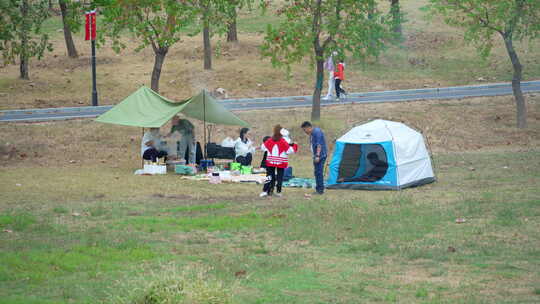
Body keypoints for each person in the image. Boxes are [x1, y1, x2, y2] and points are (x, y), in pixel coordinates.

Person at [260, 125, 298, 198]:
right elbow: (290, 151)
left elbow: (262, 147)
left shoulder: (270, 140)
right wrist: (295, 145)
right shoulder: (283, 141)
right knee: (280, 177)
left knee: (269, 176)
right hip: (281, 162)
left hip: (270, 161)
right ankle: (278, 192)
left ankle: (266, 191)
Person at [301, 121, 327, 195]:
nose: (304, 132)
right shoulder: (312, 133)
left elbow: (319, 145)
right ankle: (319, 188)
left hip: (320, 156)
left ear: (308, 127)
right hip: (316, 155)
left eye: (304, 130)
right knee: (317, 172)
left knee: (319, 172)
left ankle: (320, 190)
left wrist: (318, 155)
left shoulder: (317, 132)